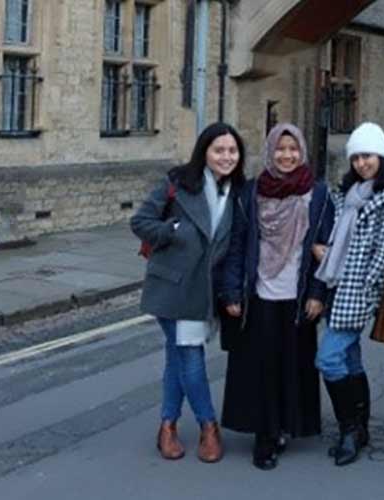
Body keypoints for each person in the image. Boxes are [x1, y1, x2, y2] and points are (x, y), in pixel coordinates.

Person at [219, 123, 334, 470]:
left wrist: (317, 293)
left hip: (297, 297)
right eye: (280, 149)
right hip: (259, 295)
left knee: (293, 366)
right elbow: (237, 244)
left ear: (302, 152)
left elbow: (324, 249)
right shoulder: (251, 192)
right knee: (261, 367)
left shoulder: (318, 194)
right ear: (270, 151)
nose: (286, 155)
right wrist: (231, 291)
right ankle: (265, 436)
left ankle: (286, 424)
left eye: (293, 149)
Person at [130, 122, 247, 464]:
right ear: (205, 153)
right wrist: (172, 230)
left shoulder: (239, 194)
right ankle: (208, 425)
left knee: (177, 357)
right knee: (190, 356)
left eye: (232, 151)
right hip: (173, 287)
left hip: (206, 293)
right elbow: (140, 222)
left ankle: (167, 425)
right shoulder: (179, 183)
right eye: (219, 150)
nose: (226, 157)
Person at [313, 122, 384, 466]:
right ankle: (360, 427)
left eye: (368, 156)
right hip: (336, 287)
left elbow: (383, 255)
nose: (361, 164)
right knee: (350, 360)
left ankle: (349, 429)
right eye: (356, 157)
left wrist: (365, 291)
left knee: (328, 359)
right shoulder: (347, 196)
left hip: (357, 292)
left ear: (381, 157)